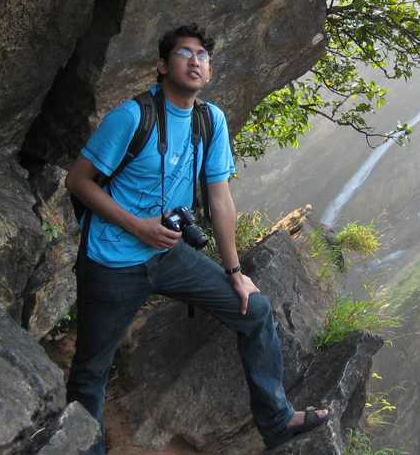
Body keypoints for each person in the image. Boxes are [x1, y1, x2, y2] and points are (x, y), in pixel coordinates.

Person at [65, 23, 329, 453]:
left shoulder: (210, 120)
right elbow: (78, 181)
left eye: (203, 55)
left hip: (168, 255)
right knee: (91, 371)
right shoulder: (133, 116)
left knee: (255, 311)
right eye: (185, 53)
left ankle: (278, 422)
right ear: (162, 65)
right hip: (112, 259)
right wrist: (136, 225)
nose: (195, 61)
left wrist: (236, 272)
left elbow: (220, 200)